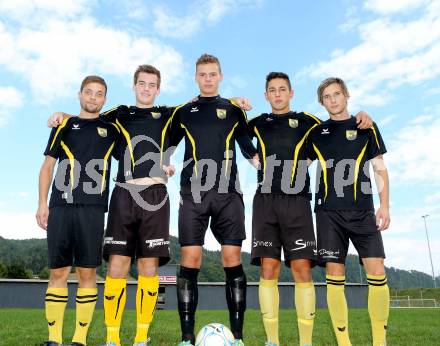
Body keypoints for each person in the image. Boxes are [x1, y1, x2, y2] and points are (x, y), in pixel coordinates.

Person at [48, 65, 174, 346]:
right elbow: (88, 117)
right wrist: (62, 115)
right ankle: (112, 338)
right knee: (117, 266)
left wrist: (235, 102)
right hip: (122, 194)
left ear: (158, 88)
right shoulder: (118, 115)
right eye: (141, 83)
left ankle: (141, 337)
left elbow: (198, 111)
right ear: (134, 86)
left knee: (149, 268)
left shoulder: (169, 114)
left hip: (155, 195)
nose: (146, 88)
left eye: (152, 84)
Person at [248, 72, 373, 346]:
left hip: (299, 202)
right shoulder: (256, 124)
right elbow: (230, 131)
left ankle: (306, 342)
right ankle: (272, 341)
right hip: (265, 202)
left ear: (291, 93)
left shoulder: (308, 123)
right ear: (266, 95)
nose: (278, 94)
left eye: (283, 89)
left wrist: (362, 116)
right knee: (268, 270)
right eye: (272, 90)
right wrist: (250, 154)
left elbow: (339, 124)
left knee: (302, 270)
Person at [166, 54, 258, 346]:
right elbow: (167, 144)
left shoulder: (233, 109)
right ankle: (186, 338)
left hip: (228, 193)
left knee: (231, 257)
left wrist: (260, 162)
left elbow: (246, 145)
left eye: (212, 74)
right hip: (192, 194)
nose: (208, 78)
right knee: (190, 258)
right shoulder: (183, 111)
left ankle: (238, 337)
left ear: (220, 76)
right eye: (202, 74)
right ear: (196, 77)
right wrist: (164, 162)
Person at [36, 75, 119, 346]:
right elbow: (47, 166)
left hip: (94, 209)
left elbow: (134, 153)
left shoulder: (112, 129)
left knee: (87, 273)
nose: (93, 98)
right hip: (61, 206)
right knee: (58, 271)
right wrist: (42, 203)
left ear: (105, 100)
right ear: (79, 94)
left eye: (98, 94)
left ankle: (79, 339)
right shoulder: (64, 125)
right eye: (88, 92)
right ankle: (54, 339)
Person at [307, 77, 390, 346]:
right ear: (322, 102)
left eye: (336, 94)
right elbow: (296, 161)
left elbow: (380, 168)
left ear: (347, 95)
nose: (332, 100)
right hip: (328, 214)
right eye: (327, 97)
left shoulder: (366, 126)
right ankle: (344, 343)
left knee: (376, 270)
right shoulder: (317, 133)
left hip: (363, 211)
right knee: (335, 274)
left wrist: (385, 205)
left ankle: (380, 342)